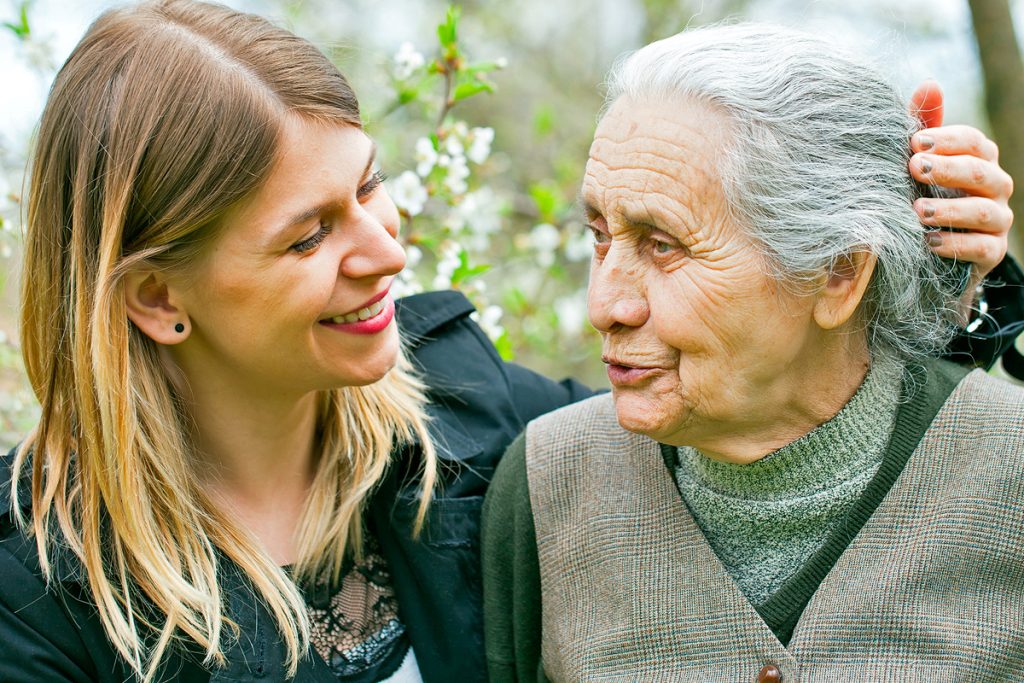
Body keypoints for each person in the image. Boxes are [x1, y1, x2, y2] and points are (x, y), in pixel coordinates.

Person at [0, 2, 1015, 681]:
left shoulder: (471, 416)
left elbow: (784, 412)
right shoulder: (35, 586)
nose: (387, 250)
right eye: (309, 236)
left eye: (368, 185)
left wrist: (943, 277)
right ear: (157, 297)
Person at [482, 23, 1024, 682]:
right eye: (600, 235)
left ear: (838, 274)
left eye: (663, 245)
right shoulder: (548, 486)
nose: (605, 305)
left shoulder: (1009, 476)